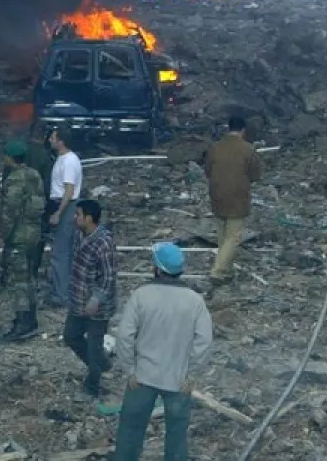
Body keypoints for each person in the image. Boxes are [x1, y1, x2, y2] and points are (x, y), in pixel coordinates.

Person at [112, 243, 214, 461]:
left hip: (142, 378)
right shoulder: (194, 301)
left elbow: (124, 336)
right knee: (176, 437)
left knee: (130, 433)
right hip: (178, 381)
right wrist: (192, 373)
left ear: (156, 269)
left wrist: (129, 369)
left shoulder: (141, 295)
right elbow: (204, 341)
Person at [65, 199, 117, 397]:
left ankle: (93, 385)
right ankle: (102, 364)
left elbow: (108, 276)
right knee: (71, 336)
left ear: (89, 218)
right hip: (78, 301)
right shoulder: (80, 234)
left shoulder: (104, 244)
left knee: (95, 346)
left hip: (98, 307)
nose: (74, 217)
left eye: (77, 214)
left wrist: (96, 300)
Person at [204, 116, 262, 282]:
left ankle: (227, 271)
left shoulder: (215, 148)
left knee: (223, 234)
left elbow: (207, 170)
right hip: (237, 197)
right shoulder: (248, 149)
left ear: (228, 129)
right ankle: (218, 271)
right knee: (234, 236)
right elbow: (256, 175)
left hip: (216, 194)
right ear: (243, 130)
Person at [0, 139, 43, 338]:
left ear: (10, 158)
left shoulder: (15, 180)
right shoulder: (35, 175)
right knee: (30, 278)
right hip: (34, 235)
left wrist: (0, 235)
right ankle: (30, 318)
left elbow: (10, 211)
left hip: (19, 236)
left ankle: (22, 322)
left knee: (19, 281)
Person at [46, 128, 83, 307]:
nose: (50, 140)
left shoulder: (69, 161)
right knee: (62, 251)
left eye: (53, 137)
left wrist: (58, 213)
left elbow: (69, 190)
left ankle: (62, 295)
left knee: (61, 252)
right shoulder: (62, 159)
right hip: (63, 205)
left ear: (61, 141)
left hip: (67, 206)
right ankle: (62, 291)